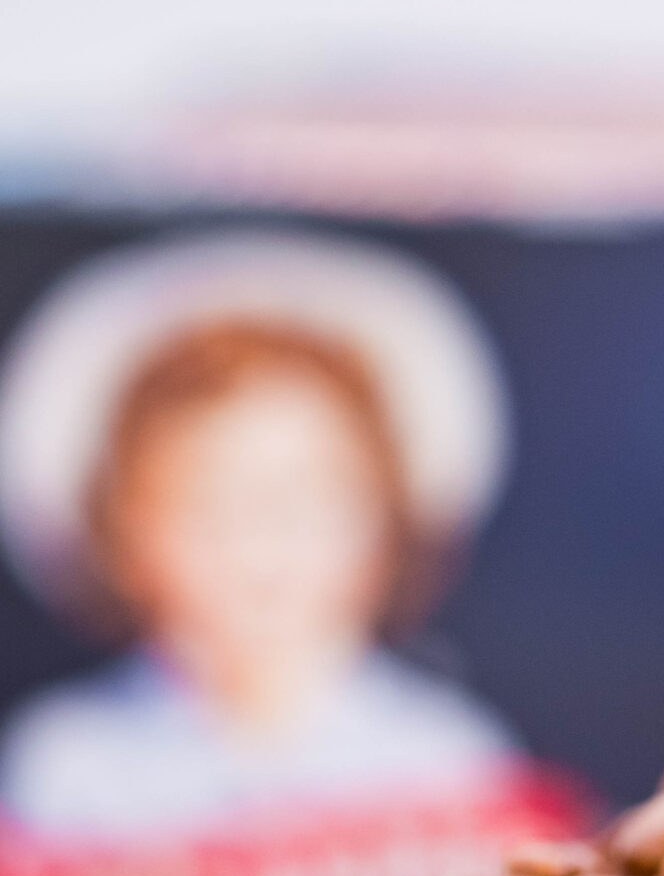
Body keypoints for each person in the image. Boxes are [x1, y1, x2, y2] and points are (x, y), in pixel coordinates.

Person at [0, 313, 522, 840]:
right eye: (209, 499)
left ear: (386, 522)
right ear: (126, 536)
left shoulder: (450, 760)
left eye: (308, 493)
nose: (263, 539)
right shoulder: (64, 768)